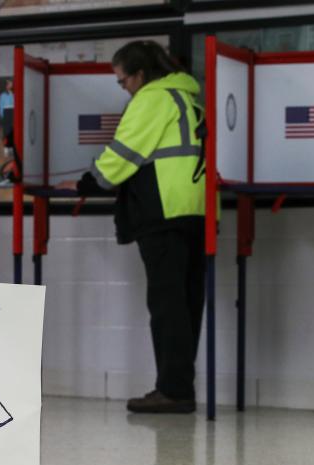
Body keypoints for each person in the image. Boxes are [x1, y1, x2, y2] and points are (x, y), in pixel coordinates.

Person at [60, 41, 209, 413]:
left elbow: (125, 154)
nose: (123, 87)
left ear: (140, 74)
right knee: (186, 303)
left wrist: (85, 183)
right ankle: (180, 387)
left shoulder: (152, 99)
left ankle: (173, 391)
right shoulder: (188, 96)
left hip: (164, 209)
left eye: (122, 80)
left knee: (167, 304)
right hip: (196, 209)